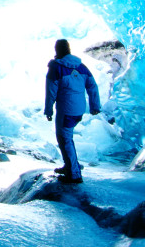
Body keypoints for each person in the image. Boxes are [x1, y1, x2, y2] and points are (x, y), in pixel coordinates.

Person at [43, 38, 101, 184]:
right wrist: (94, 106)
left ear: (57, 50)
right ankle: (70, 166)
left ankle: (74, 174)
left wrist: (48, 110)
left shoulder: (56, 68)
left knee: (65, 139)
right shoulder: (81, 66)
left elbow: (51, 92)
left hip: (66, 109)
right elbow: (92, 86)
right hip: (79, 109)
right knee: (67, 138)